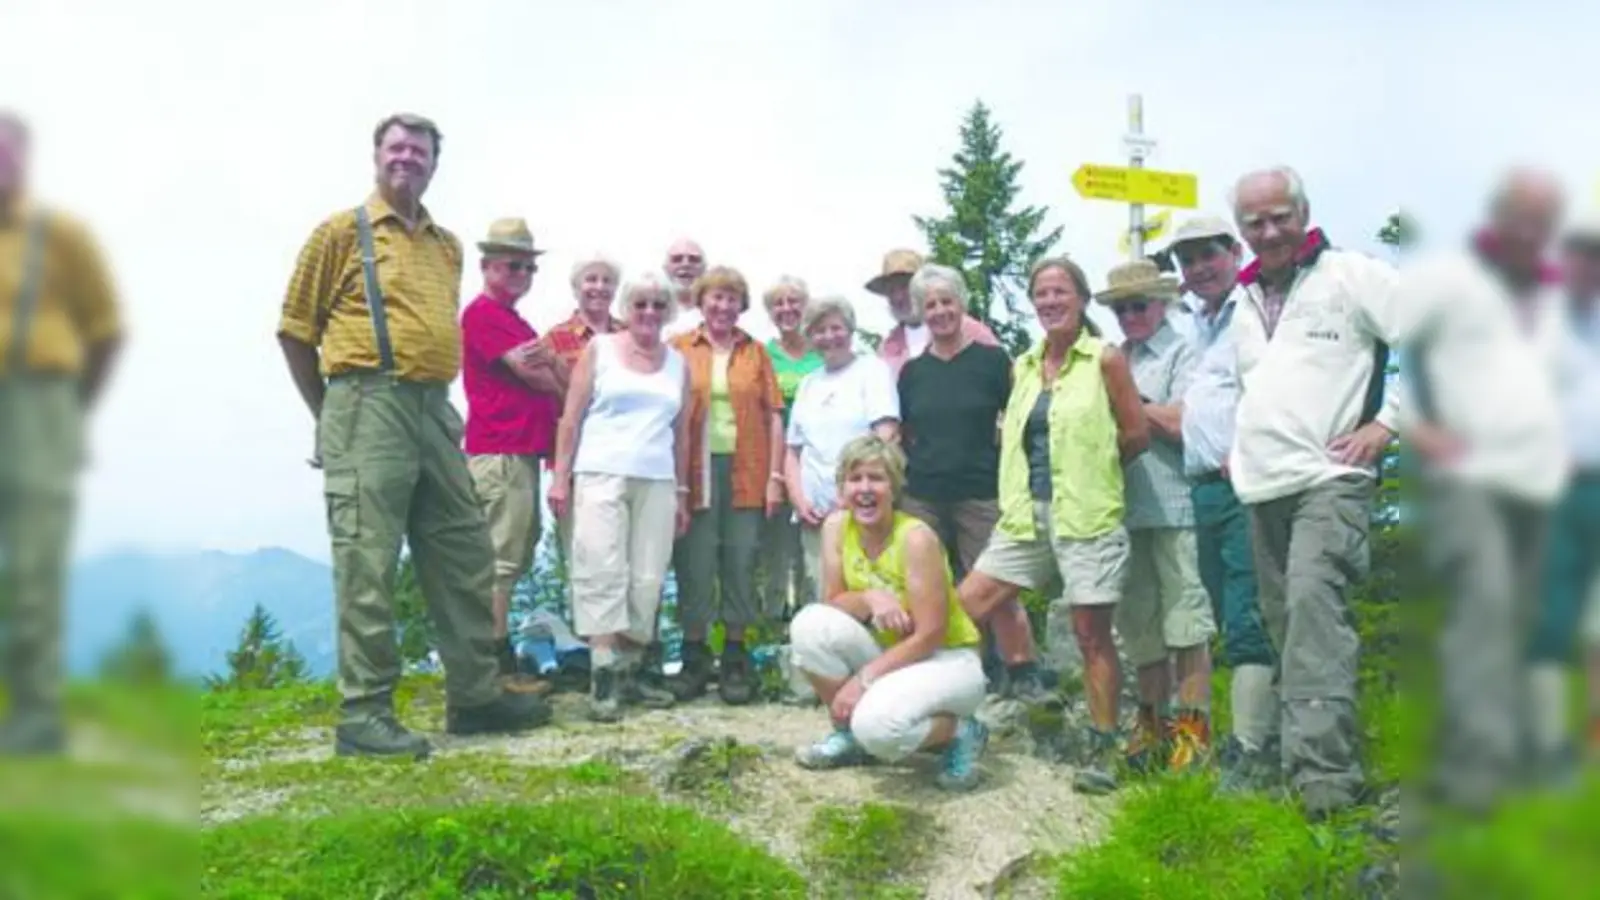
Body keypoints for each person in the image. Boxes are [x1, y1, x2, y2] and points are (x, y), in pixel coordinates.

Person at [276, 112, 550, 758]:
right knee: (367, 559)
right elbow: (293, 330)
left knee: (465, 552)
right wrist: (330, 414)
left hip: (434, 409)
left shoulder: (447, 245)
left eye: (420, 151)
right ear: (377, 156)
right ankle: (364, 714)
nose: (408, 159)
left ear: (433, 163)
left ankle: (476, 696)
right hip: (366, 401)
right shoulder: (341, 233)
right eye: (396, 148)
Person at [1224, 165, 1401, 819]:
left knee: (1313, 612)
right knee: (1286, 624)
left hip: (1330, 481)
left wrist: (1386, 425)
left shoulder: (1349, 276)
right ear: (1241, 230)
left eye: (1280, 217)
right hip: (1263, 485)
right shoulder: (1243, 302)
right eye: (1255, 222)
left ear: (1304, 214)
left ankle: (1325, 782)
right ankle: (1300, 759)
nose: (1269, 231)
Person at [1399, 170, 1572, 809]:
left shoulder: (1555, 293)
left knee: (1531, 619)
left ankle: (1528, 756)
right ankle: (1474, 771)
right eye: (1521, 216)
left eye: (1543, 219)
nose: (1532, 230)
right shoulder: (1450, 279)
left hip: (1539, 479)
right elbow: (1395, 342)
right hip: (1468, 480)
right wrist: (1417, 429)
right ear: (1497, 216)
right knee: (1484, 610)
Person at [957, 256, 1149, 795]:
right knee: (964, 608)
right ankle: (957, 722)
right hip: (1024, 515)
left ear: (1082, 299)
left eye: (1061, 290)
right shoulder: (1023, 366)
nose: (1050, 301)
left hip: (1086, 513)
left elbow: (1135, 435)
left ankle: (1103, 745)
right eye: (1041, 293)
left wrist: (1094, 474)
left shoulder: (1104, 359)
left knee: (1091, 635)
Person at [0, 112, 124, 755]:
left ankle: (35, 716)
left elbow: (104, 330)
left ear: (23, 162)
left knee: (34, 564)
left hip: (39, 403)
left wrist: (72, 408)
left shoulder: (60, 237)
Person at [789, 435, 991, 791]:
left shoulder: (915, 538)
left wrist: (861, 681)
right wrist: (870, 598)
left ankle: (961, 730)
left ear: (894, 488)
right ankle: (849, 736)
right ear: (842, 487)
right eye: (855, 479)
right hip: (892, 654)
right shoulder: (837, 527)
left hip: (946, 659)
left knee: (878, 729)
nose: (865, 489)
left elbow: (930, 634)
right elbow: (833, 603)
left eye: (876, 479)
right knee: (810, 626)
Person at [550, 270, 689, 722]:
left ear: (667, 312)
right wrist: (560, 477)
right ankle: (603, 673)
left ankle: (631, 671)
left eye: (658, 306)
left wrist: (684, 490)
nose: (649, 313)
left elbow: (682, 432)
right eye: (640, 305)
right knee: (601, 567)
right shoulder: (601, 349)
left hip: (658, 479)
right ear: (626, 310)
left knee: (647, 576)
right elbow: (570, 418)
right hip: (600, 473)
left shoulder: (677, 364)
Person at [1095, 259, 1216, 773]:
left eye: (1139, 304)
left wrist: (1126, 402)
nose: (1130, 315)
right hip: (1125, 509)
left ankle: (1194, 730)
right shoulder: (1115, 356)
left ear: (1162, 304)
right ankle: (1151, 725)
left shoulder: (1187, 351)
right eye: (1121, 308)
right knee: (1139, 623)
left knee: (1186, 619)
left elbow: (1184, 421)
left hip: (1175, 503)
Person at [1168, 215, 1278, 779]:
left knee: (1246, 613)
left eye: (1207, 255)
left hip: (1247, 482)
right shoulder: (1193, 324)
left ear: (1233, 252)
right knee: (1212, 612)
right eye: (1187, 261)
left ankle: (1253, 747)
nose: (1197, 269)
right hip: (1200, 488)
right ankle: (1239, 740)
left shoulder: (1256, 310)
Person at [896, 263, 1019, 696]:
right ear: (920, 312)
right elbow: (904, 433)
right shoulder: (912, 373)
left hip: (979, 488)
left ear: (962, 305)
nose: (940, 312)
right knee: (927, 585)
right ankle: (936, 667)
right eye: (930, 305)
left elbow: (1016, 421)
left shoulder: (992, 361)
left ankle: (1001, 668)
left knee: (989, 582)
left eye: (947, 302)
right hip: (923, 494)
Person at [665, 266, 786, 705]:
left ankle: (736, 656)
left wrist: (775, 477)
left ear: (742, 305)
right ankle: (695, 656)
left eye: (732, 298)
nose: (723, 306)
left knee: (739, 561)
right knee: (694, 562)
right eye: (716, 297)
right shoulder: (678, 348)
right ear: (701, 301)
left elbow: (774, 415)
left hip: (747, 470)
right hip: (692, 471)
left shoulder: (755, 353)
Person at [460, 217, 561, 695]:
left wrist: (552, 371)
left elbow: (546, 370)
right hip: (499, 453)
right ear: (487, 267)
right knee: (500, 558)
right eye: (512, 264)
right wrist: (555, 376)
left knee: (517, 548)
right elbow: (535, 375)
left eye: (528, 266)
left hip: (520, 453)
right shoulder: (484, 315)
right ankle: (492, 666)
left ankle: (494, 658)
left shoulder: (514, 319)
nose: (521, 273)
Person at [784, 297, 900, 588]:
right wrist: (799, 501)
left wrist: (849, 496)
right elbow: (793, 452)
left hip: (862, 509)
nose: (829, 337)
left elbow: (885, 435)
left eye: (836, 328)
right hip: (815, 516)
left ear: (850, 329)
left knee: (866, 592)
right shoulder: (809, 383)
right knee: (822, 593)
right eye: (819, 331)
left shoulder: (872, 370)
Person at [761, 276, 824, 622]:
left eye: (793, 302)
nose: (787, 309)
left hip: (814, 465)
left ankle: (812, 620)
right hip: (774, 462)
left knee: (813, 552)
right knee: (776, 551)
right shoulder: (762, 354)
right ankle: (773, 626)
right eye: (778, 304)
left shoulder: (824, 350)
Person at [865, 249, 998, 377]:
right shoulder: (888, 348)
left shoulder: (968, 329)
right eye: (891, 291)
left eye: (904, 287)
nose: (898, 297)